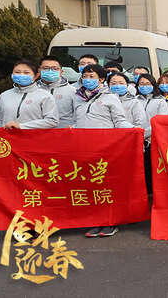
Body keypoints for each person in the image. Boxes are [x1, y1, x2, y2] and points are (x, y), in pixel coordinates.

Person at [73, 64, 132, 238]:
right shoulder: (78, 98)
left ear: (101, 79)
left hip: (106, 149)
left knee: (106, 187)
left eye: (92, 76)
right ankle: (94, 221)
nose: (88, 79)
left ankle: (109, 222)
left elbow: (120, 121)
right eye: (85, 76)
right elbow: (77, 121)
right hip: (83, 150)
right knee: (89, 187)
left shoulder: (110, 98)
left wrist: (135, 131)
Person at [0, 59, 58, 129]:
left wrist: (21, 126)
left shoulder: (45, 96)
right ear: (12, 75)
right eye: (17, 72)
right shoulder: (4, 95)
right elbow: (0, 120)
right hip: (9, 138)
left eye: (26, 73)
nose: (21, 75)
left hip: (34, 138)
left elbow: (52, 121)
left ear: (36, 76)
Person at [37, 55, 75, 128]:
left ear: (61, 72)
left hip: (63, 134)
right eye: (46, 68)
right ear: (39, 71)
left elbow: (78, 115)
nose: (50, 71)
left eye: (55, 69)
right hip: (38, 134)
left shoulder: (72, 91)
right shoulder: (32, 91)